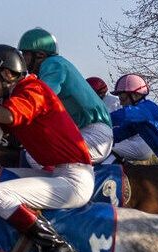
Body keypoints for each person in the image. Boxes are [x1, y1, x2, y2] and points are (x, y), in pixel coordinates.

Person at [0, 44, 94, 252]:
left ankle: (57, 246)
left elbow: (9, 115)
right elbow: (1, 118)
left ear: (7, 73)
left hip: (74, 181)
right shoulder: (18, 95)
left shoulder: (33, 89)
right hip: (59, 173)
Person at [17, 28, 113, 164]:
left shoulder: (53, 64)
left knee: (34, 156)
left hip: (94, 134)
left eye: (25, 54)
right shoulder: (53, 66)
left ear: (40, 55)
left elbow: (42, 98)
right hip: (89, 132)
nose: (22, 61)